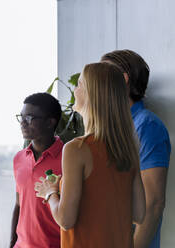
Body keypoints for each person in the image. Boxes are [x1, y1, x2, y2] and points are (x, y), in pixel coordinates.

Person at [34, 62, 146, 247]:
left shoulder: (77, 149)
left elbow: (66, 220)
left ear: (91, 95)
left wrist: (51, 193)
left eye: (79, 85)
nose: (75, 90)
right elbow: (139, 214)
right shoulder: (127, 148)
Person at [101, 49, 171, 248]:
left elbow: (154, 203)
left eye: (103, 75)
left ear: (123, 79)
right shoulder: (111, 129)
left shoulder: (147, 126)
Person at [10, 92, 63, 248]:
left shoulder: (69, 158)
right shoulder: (19, 159)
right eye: (21, 118)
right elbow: (19, 205)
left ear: (50, 122)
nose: (23, 123)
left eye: (29, 118)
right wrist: (12, 243)